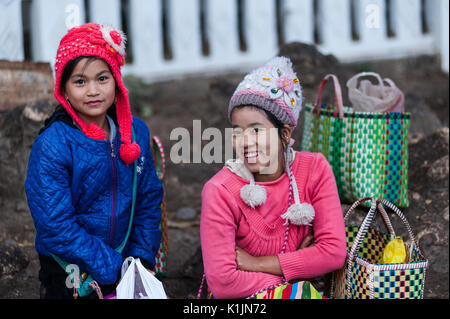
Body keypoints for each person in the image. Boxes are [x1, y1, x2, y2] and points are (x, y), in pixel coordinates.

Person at [25, 23, 163, 299]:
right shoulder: (54, 145)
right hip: (69, 264)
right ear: (63, 90)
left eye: (102, 78)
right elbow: (55, 225)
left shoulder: (135, 134)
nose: (93, 91)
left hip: (125, 258)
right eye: (80, 81)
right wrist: (112, 267)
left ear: (117, 82)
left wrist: (141, 259)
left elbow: (148, 200)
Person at [200, 57, 347, 299]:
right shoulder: (220, 191)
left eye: (256, 130)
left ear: (285, 132)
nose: (245, 142)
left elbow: (333, 253)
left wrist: (256, 264)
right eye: (237, 131)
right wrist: (298, 274)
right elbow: (224, 283)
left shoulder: (315, 170)